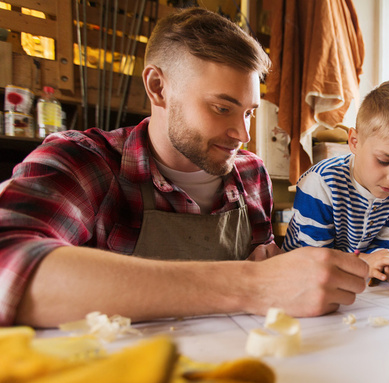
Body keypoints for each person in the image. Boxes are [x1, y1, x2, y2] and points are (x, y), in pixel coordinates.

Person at [0, 8, 368, 328]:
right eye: (222, 108)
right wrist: (251, 284)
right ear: (158, 87)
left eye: (250, 113)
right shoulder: (84, 162)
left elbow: (264, 263)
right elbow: (8, 260)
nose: (243, 133)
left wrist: (272, 262)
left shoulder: (252, 175)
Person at [282, 81, 389, 284]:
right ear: (354, 142)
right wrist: (365, 262)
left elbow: (380, 247)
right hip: (297, 278)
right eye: (384, 161)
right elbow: (314, 258)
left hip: (349, 278)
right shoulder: (321, 182)